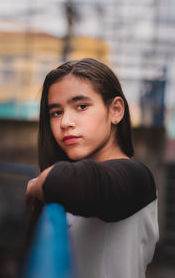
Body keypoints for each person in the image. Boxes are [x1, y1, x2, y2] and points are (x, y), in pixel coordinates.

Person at [26, 58, 159, 278]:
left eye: (81, 106)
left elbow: (64, 183)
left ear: (115, 110)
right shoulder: (73, 172)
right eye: (56, 112)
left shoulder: (138, 177)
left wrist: (39, 183)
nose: (65, 122)